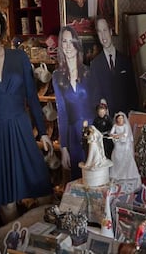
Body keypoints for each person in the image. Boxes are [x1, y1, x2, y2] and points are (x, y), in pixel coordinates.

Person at [0, 3, 52, 223]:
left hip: (21, 127)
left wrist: (43, 133)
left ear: (2, 26)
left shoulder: (19, 57)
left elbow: (32, 98)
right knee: (6, 201)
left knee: (43, 189)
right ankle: (15, 244)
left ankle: (49, 239)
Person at [53, 26, 94, 180]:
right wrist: (64, 147)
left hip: (92, 133)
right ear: (61, 45)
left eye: (71, 41)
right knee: (78, 181)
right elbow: (61, 112)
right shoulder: (57, 76)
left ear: (77, 44)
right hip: (73, 136)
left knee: (95, 179)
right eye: (64, 41)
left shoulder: (88, 72)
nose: (68, 46)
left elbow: (98, 104)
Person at [90, 18, 138, 117]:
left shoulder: (126, 61)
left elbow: (133, 95)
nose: (103, 36)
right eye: (99, 31)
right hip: (107, 122)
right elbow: (95, 95)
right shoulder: (95, 65)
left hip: (126, 121)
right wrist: (101, 103)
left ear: (111, 32)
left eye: (105, 30)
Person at [109, 112, 141, 188]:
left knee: (126, 157)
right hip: (117, 143)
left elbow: (126, 134)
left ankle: (127, 175)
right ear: (117, 119)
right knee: (116, 156)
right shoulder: (115, 126)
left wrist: (117, 135)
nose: (120, 120)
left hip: (124, 143)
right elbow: (111, 133)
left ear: (123, 119)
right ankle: (117, 175)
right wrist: (116, 135)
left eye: (121, 118)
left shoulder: (126, 126)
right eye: (119, 118)